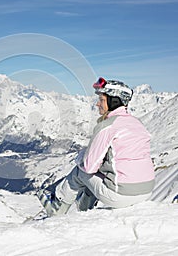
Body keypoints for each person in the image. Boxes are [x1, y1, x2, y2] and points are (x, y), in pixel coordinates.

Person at [38, 77, 155, 216]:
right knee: (97, 173)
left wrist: (81, 155)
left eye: (102, 100)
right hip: (146, 191)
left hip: (121, 195)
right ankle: (85, 206)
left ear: (113, 101)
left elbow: (89, 166)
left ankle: (57, 208)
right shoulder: (137, 123)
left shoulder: (108, 126)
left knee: (80, 172)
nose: (97, 104)